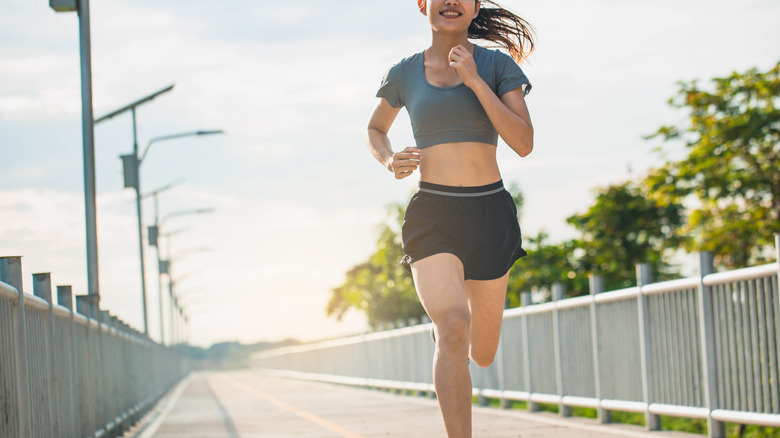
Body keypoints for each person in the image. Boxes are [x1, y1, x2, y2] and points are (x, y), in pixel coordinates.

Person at [365, 0, 535, 436]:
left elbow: (523, 141)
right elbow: (375, 129)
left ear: (476, 7)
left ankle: (447, 336)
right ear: (423, 4)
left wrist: (476, 82)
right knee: (454, 324)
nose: (451, 1)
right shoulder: (404, 72)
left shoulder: (496, 65)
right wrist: (389, 161)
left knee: (482, 352)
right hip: (434, 212)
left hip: (490, 212)